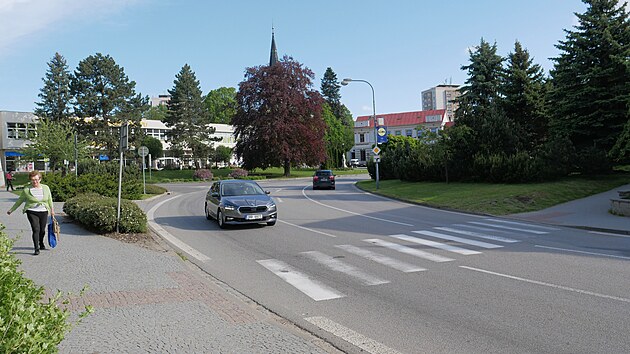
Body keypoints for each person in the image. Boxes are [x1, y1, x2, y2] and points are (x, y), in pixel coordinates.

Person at [7, 171, 54, 255]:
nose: (34, 182)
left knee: (42, 230)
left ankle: (41, 242)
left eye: (36, 179)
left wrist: (52, 210)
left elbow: (50, 199)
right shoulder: (27, 189)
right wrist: (11, 210)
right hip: (31, 211)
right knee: (36, 229)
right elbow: (20, 200)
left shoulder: (46, 188)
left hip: (44, 211)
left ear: (40, 179)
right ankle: (36, 248)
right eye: (32, 180)